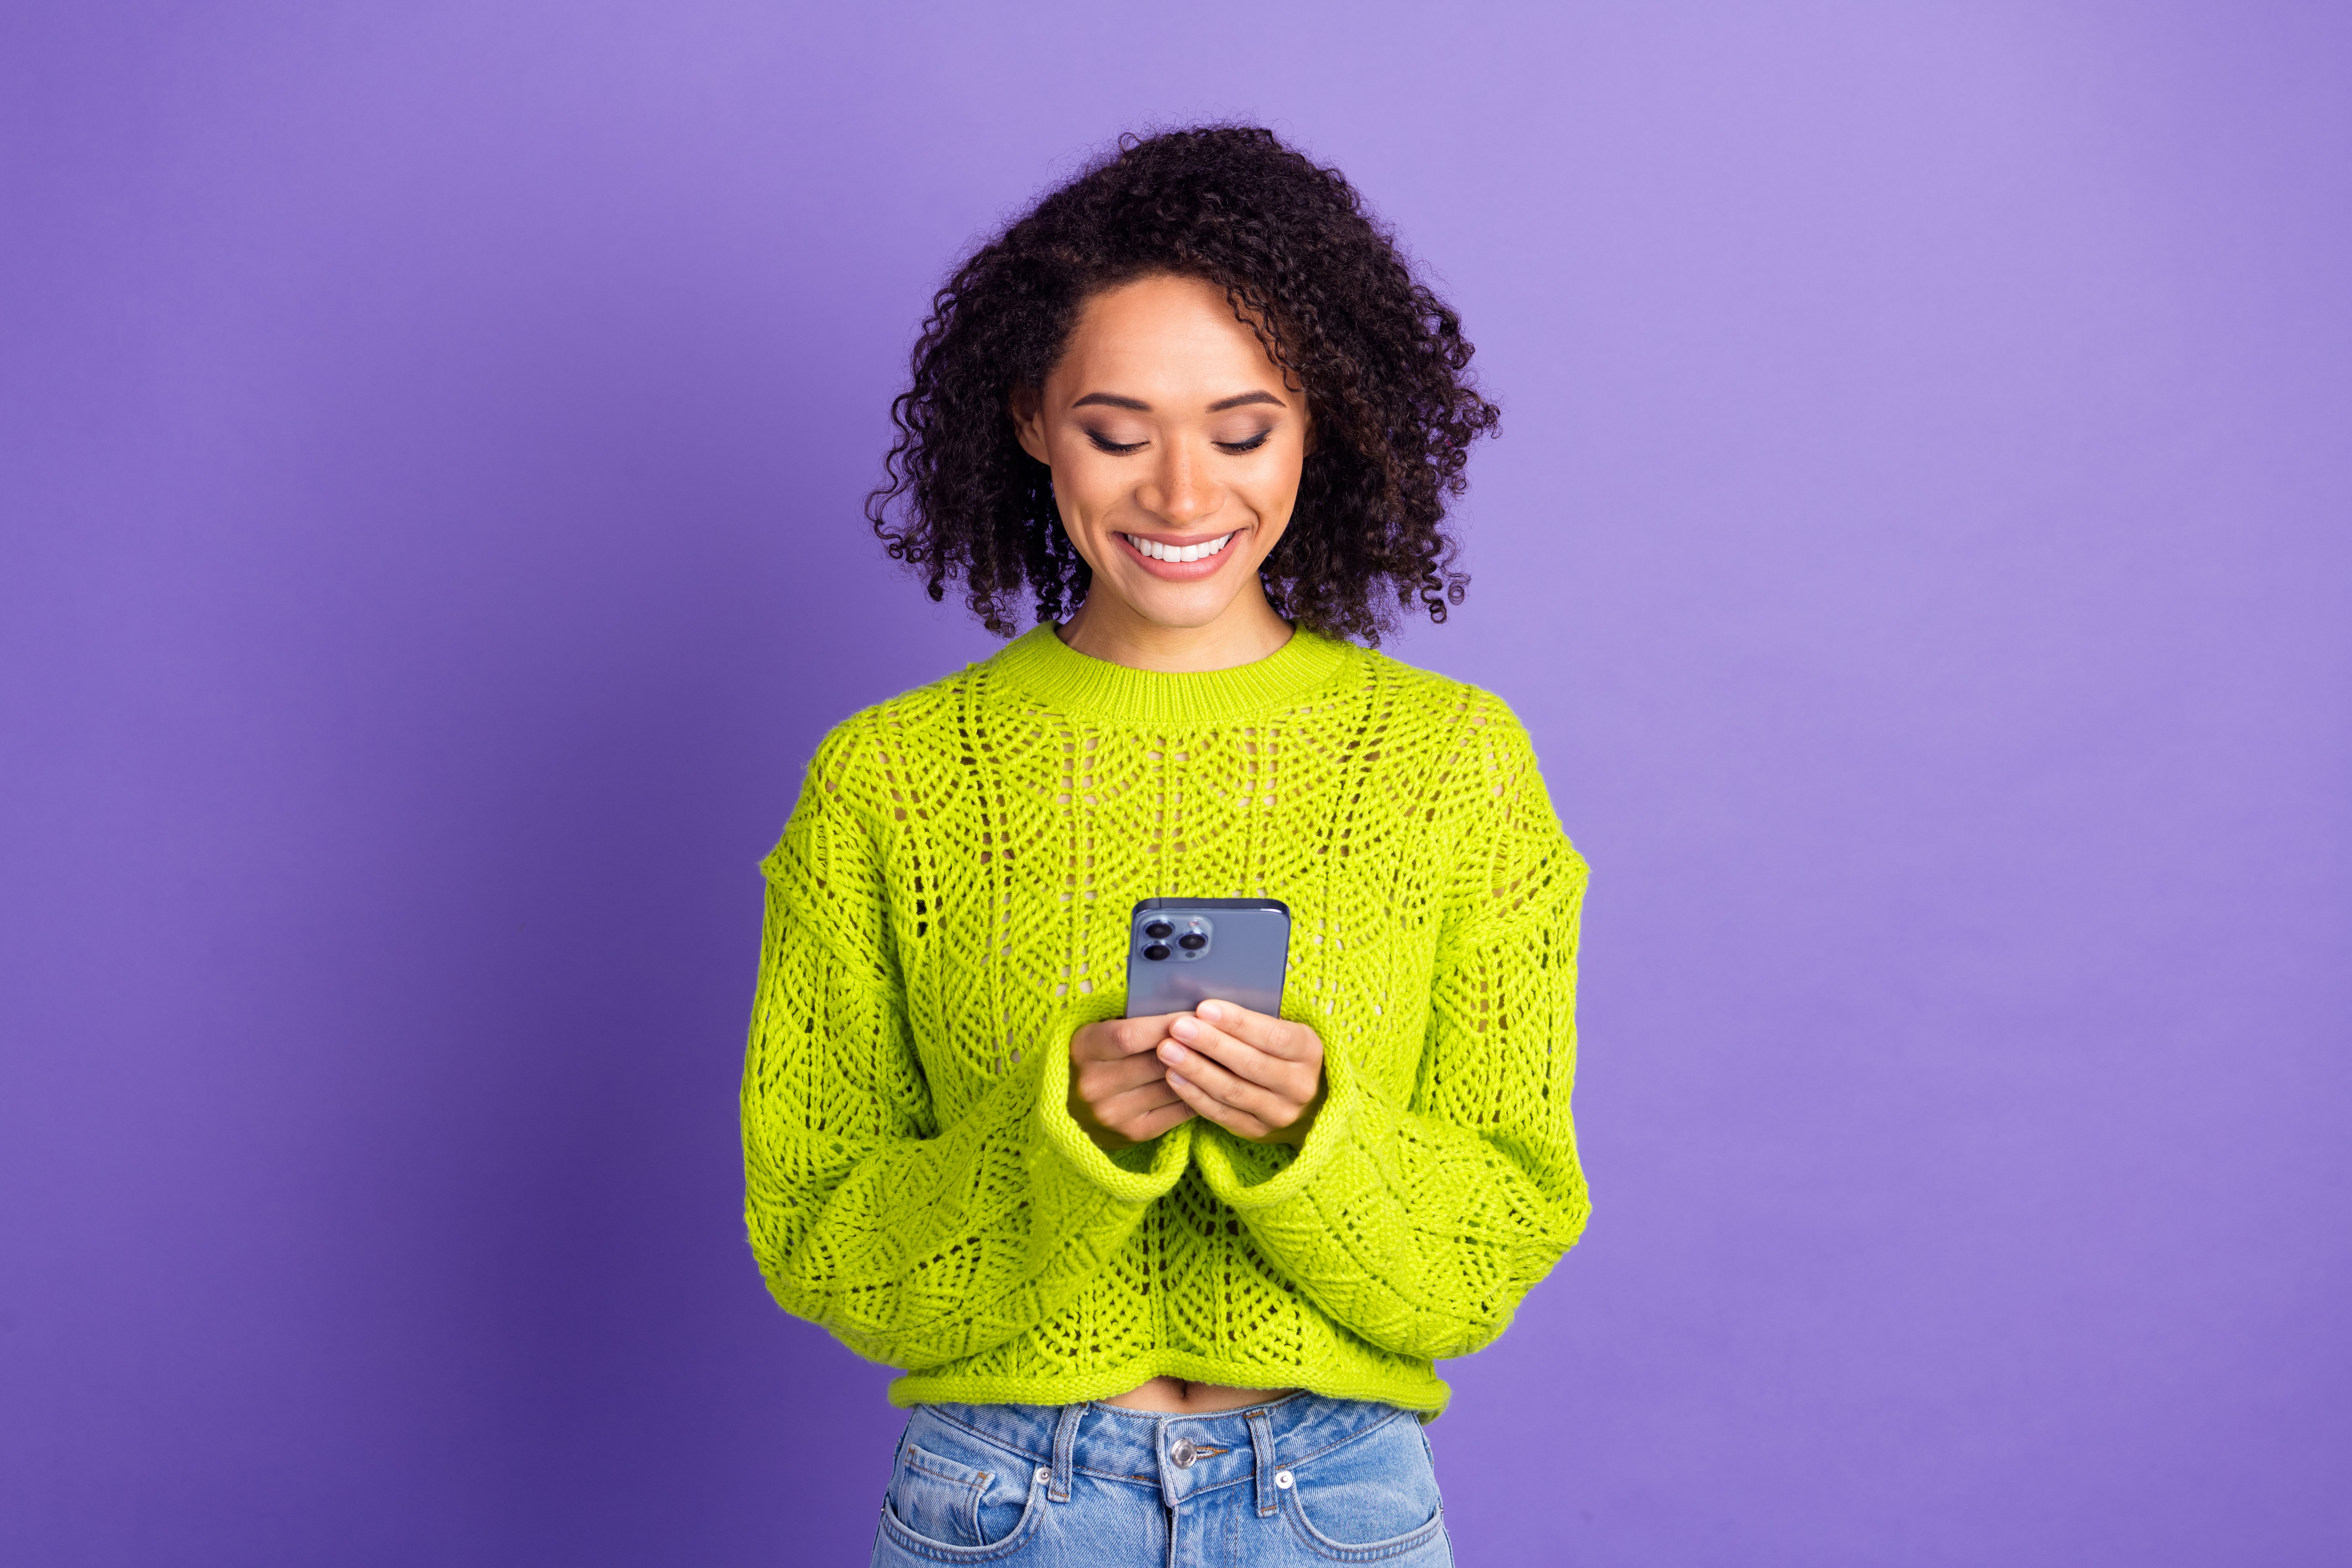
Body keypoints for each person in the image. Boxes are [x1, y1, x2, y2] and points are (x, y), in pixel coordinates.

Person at [741, 125, 1590, 1567]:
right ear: (1029, 416)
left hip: (1338, 1505)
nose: (1184, 498)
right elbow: (824, 1238)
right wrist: (1065, 1135)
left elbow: (1491, 1250)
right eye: (1119, 434)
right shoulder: (892, 778)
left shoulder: (1456, 766)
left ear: (1322, 419)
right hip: (1003, 1504)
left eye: (1242, 432)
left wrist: (1314, 1134)